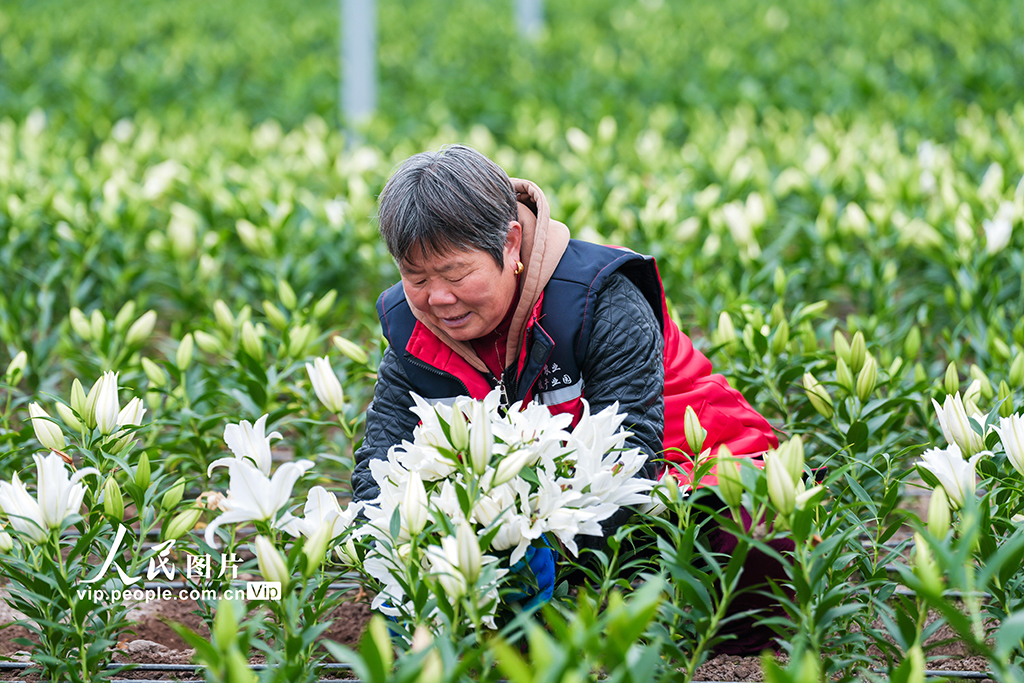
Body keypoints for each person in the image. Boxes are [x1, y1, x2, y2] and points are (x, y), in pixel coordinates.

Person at [351, 144, 784, 650]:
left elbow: (632, 454)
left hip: (684, 479)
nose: (437, 298)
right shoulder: (412, 330)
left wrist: (533, 551)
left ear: (510, 245)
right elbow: (379, 464)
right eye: (416, 278)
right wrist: (399, 558)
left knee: (757, 545)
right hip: (543, 514)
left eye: (455, 274)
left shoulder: (598, 297)